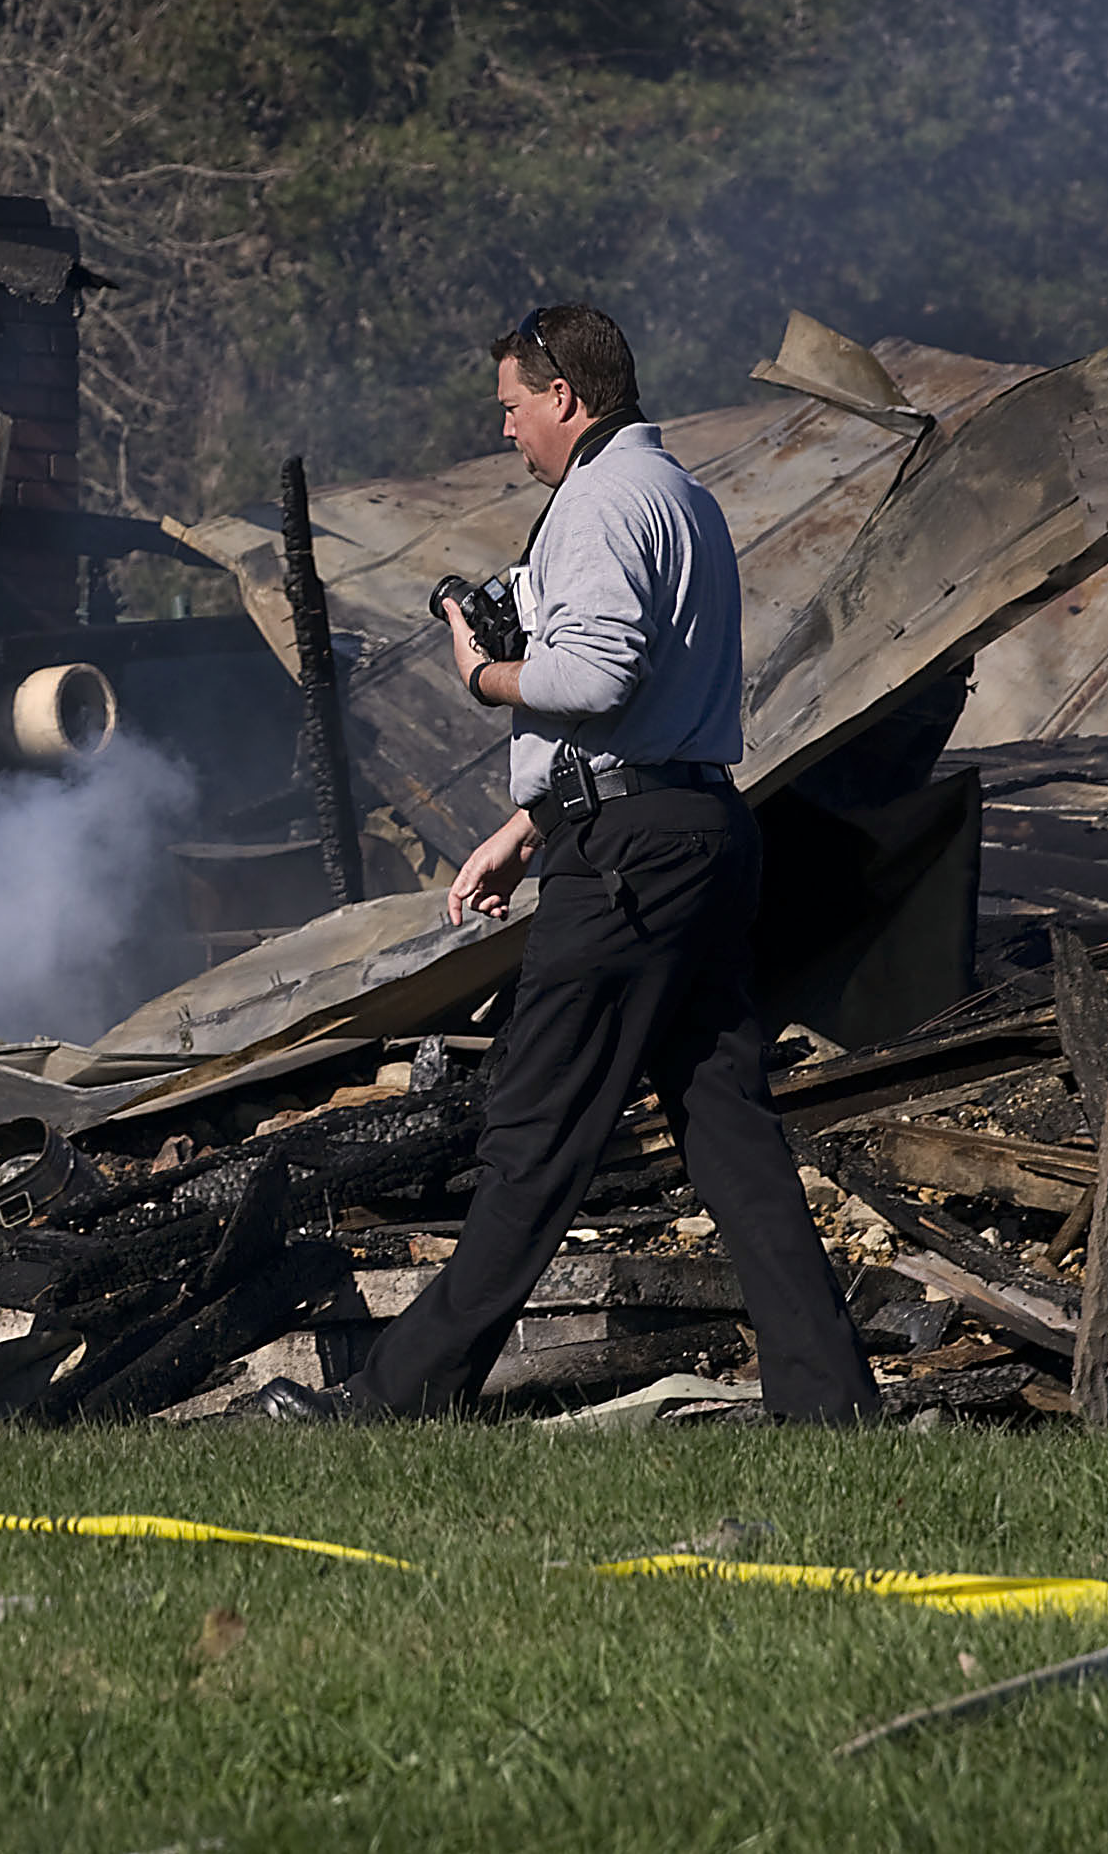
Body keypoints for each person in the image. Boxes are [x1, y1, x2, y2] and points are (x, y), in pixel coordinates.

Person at [261, 304, 882, 1424]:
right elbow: (649, 719)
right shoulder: (681, 495)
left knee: (532, 1133)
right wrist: (528, 824)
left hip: (631, 865)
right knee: (731, 1136)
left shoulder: (595, 501)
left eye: (509, 406)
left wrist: (482, 674)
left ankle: (394, 1402)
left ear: (565, 396)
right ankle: (831, 1404)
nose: (505, 430)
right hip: (696, 832)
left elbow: (592, 684)